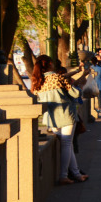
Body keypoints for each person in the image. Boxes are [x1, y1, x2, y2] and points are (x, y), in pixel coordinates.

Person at [32, 55, 89, 185]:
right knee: (67, 145)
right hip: (66, 114)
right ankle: (64, 175)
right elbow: (74, 93)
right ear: (51, 64)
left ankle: (76, 173)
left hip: (51, 117)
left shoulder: (37, 82)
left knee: (66, 145)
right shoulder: (56, 78)